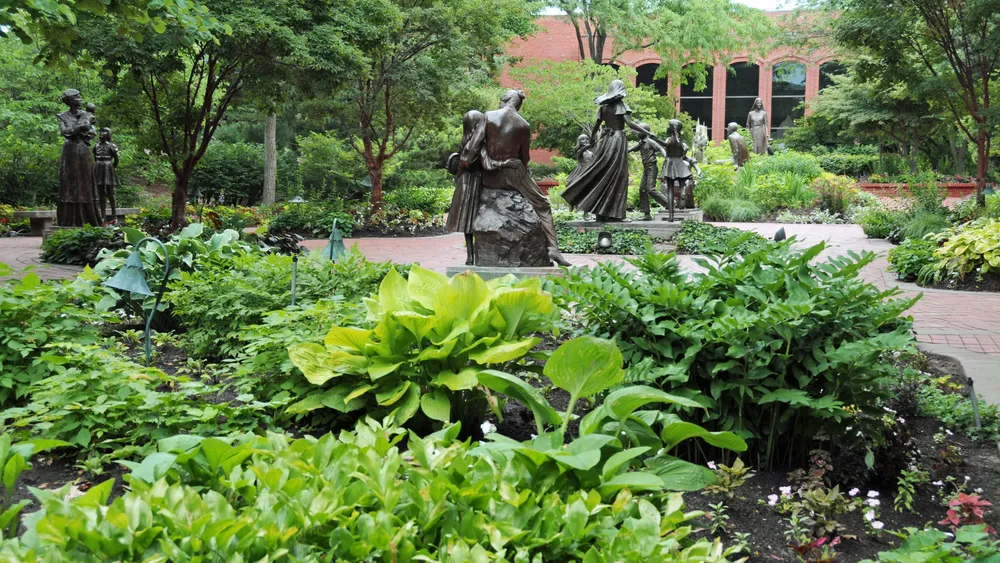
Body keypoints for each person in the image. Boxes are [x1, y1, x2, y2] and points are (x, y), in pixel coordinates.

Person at [458, 90, 571, 266]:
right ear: (518, 105)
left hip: (491, 177)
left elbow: (473, 147)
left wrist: (471, 163)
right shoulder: (524, 125)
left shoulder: (489, 116)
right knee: (542, 204)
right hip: (513, 173)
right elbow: (525, 159)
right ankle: (553, 250)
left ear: (503, 101)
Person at [562, 79, 650, 222]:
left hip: (606, 141)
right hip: (617, 139)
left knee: (602, 172)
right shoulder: (620, 105)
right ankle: (616, 215)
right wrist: (648, 133)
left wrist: (591, 140)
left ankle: (600, 214)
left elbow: (597, 125)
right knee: (619, 176)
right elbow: (630, 123)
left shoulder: (603, 108)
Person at [56, 89, 100, 227]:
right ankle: (68, 220)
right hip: (69, 152)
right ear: (70, 101)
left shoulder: (86, 115)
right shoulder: (62, 116)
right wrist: (79, 129)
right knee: (69, 182)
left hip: (83, 150)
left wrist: (79, 130)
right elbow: (64, 132)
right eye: (77, 97)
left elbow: (92, 132)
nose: (80, 99)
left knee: (85, 181)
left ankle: (88, 218)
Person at [446, 110, 485, 265]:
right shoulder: (480, 143)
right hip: (478, 182)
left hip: (464, 183)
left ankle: (470, 255)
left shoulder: (464, 142)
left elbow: (461, 165)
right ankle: (477, 254)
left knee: (467, 223)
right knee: (477, 219)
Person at [628, 122, 673, 220]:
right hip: (646, 169)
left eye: (638, 131)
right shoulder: (641, 143)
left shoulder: (649, 141)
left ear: (644, 132)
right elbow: (631, 149)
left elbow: (661, 148)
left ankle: (670, 204)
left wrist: (666, 157)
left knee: (650, 189)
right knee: (642, 190)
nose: (636, 133)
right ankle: (646, 214)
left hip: (652, 167)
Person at [659, 119, 700, 210]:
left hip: (671, 164)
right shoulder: (681, 142)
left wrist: (656, 140)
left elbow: (666, 145)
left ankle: (670, 205)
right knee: (682, 182)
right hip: (680, 165)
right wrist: (698, 171)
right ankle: (682, 192)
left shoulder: (669, 139)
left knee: (669, 185)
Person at [93, 127, 120, 224]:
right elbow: (95, 157)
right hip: (99, 166)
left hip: (108, 167)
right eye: (101, 131)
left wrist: (112, 168)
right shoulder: (96, 146)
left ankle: (114, 214)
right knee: (100, 192)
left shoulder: (111, 146)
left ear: (108, 134)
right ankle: (102, 215)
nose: (102, 133)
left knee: (110, 191)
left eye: (104, 132)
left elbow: (116, 160)